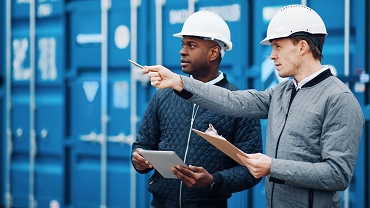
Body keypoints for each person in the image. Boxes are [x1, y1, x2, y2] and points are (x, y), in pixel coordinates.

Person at [142, 5, 364, 208]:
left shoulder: (339, 99)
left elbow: (338, 174)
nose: (272, 56)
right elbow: (233, 101)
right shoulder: (281, 93)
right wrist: (179, 82)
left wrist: (272, 167)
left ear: (302, 47)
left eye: (277, 46)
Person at [131, 10, 263, 208]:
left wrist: (213, 180)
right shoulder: (163, 95)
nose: (182, 51)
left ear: (213, 53)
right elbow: (142, 144)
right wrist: (139, 160)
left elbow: (251, 170)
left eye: (191, 45)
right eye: (183, 44)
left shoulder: (239, 104)